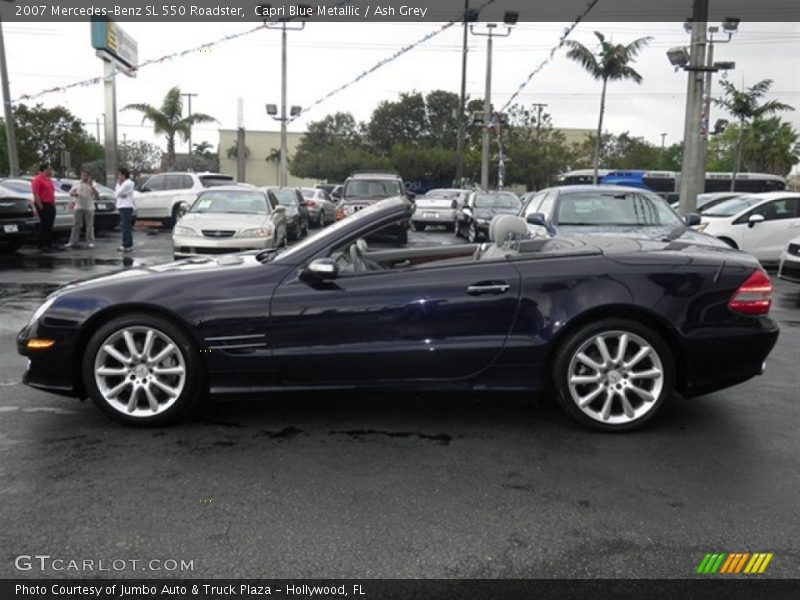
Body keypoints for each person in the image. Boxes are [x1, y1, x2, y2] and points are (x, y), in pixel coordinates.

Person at [65, 170, 99, 249]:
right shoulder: (77, 183)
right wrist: (74, 194)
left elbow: (97, 194)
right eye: (82, 175)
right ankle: (73, 241)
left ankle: (90, 242)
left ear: (89, 176)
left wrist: (91, 186)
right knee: (76, 224)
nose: (84, 177)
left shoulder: (93, 184)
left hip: (89, 206)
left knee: (89, 225)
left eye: (86, 175)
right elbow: (70, 192)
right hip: (79, 205)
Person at [31, 163, 57, 250]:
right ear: (44, 169)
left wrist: (53, 204)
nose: (50, 171)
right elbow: (36, 194)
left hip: (50, 204)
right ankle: (41, 244)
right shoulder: (37, 179)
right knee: (44, 224)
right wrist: (40, 207)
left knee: (50, 224)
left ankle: (48, 243)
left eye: (50, 169)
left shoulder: (49, 179)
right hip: (43, 204)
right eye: (48, 169)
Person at [115, 167, 135, 252]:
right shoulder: (122, 183)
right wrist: (118, 190)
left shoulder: (128, 183)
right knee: (125, 226)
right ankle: (128, 244)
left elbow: (119, 193)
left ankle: (126, 244)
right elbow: (116, 194)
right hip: (122, 206)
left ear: (124, 175)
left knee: (126, 227)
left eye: (120, 175)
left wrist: (118, 186)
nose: (119, 177)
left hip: (126, 207)